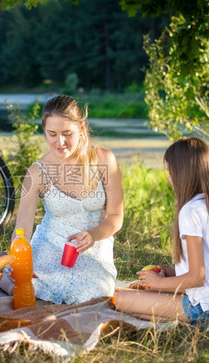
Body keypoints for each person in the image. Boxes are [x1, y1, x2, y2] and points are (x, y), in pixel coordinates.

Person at [10, 94, 124, 305]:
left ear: (81, 128)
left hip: (92, 249)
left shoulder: (104, 160)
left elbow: (116, 216)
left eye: (67, 134)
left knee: (96, 290)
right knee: (25, 280)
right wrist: (19, 265)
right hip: (49, 246)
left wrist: (93, 234)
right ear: (44, 131)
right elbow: (22, 230)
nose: (59, 142)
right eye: (52, 134)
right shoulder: (37, 172)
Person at [113, 137, 209, 325]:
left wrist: (159, 283)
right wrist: (171, 273)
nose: (168, 178)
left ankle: (184, 318)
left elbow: (197, 278)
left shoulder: (190, 211)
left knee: (119, 300)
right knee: (142, 302)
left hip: (205, 307)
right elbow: (207, 267)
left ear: (183, 174)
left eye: (170, 172)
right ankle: (171, 316)